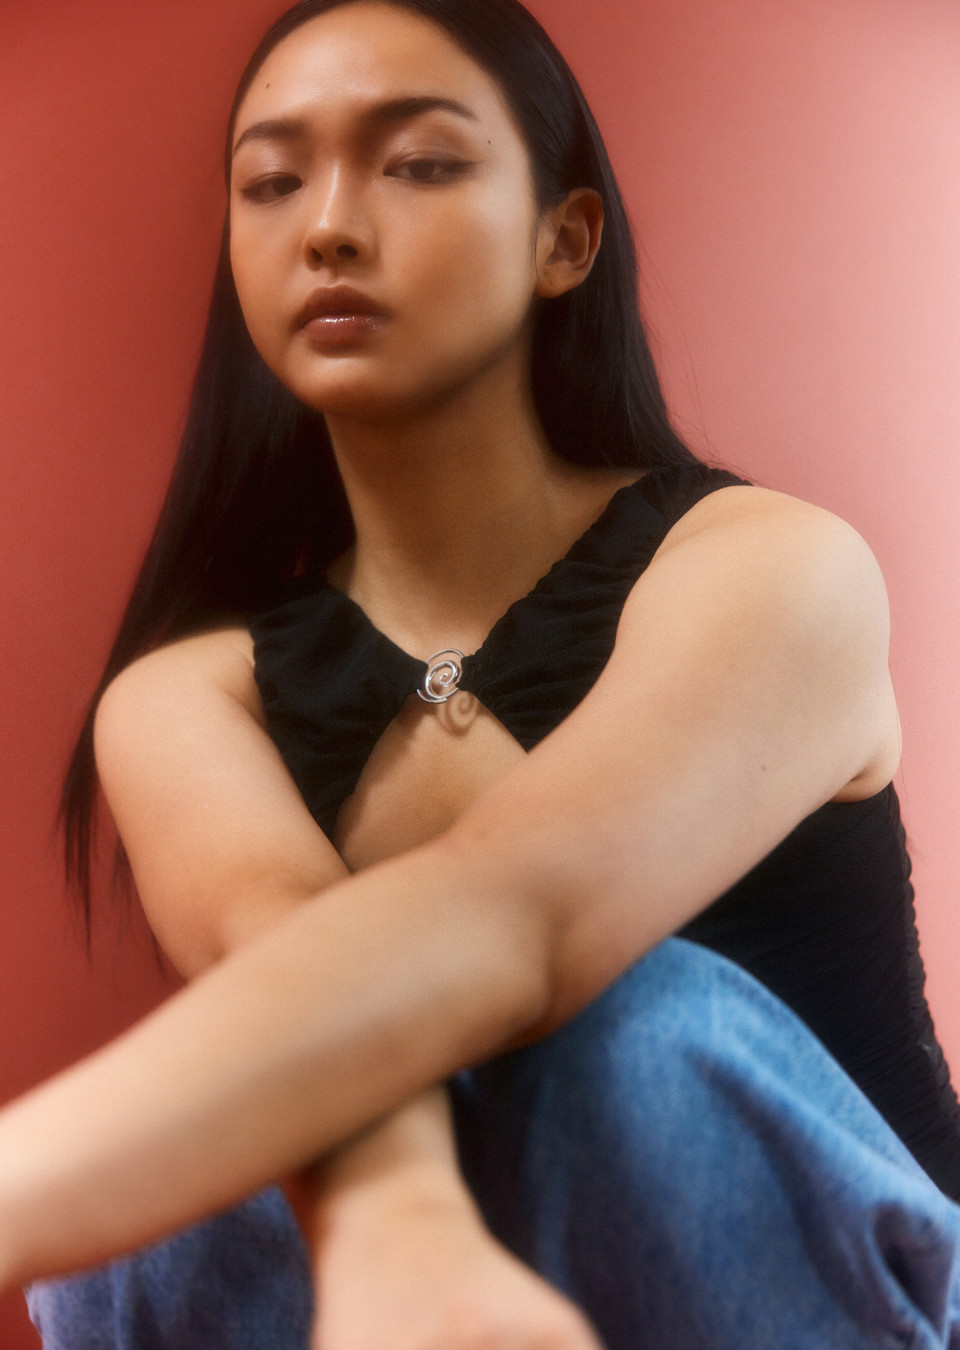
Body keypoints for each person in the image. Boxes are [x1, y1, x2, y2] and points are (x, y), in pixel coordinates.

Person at [6, 0, 960, 1345]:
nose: (329, 226)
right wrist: (397, 1217)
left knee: (628, 1031)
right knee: (217, 1127)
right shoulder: (189, 693)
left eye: (418, 163)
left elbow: (514, 922)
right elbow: (291, 969)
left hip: (858, 1299)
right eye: (271, 182)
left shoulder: (769, 568)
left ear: (564, 240)